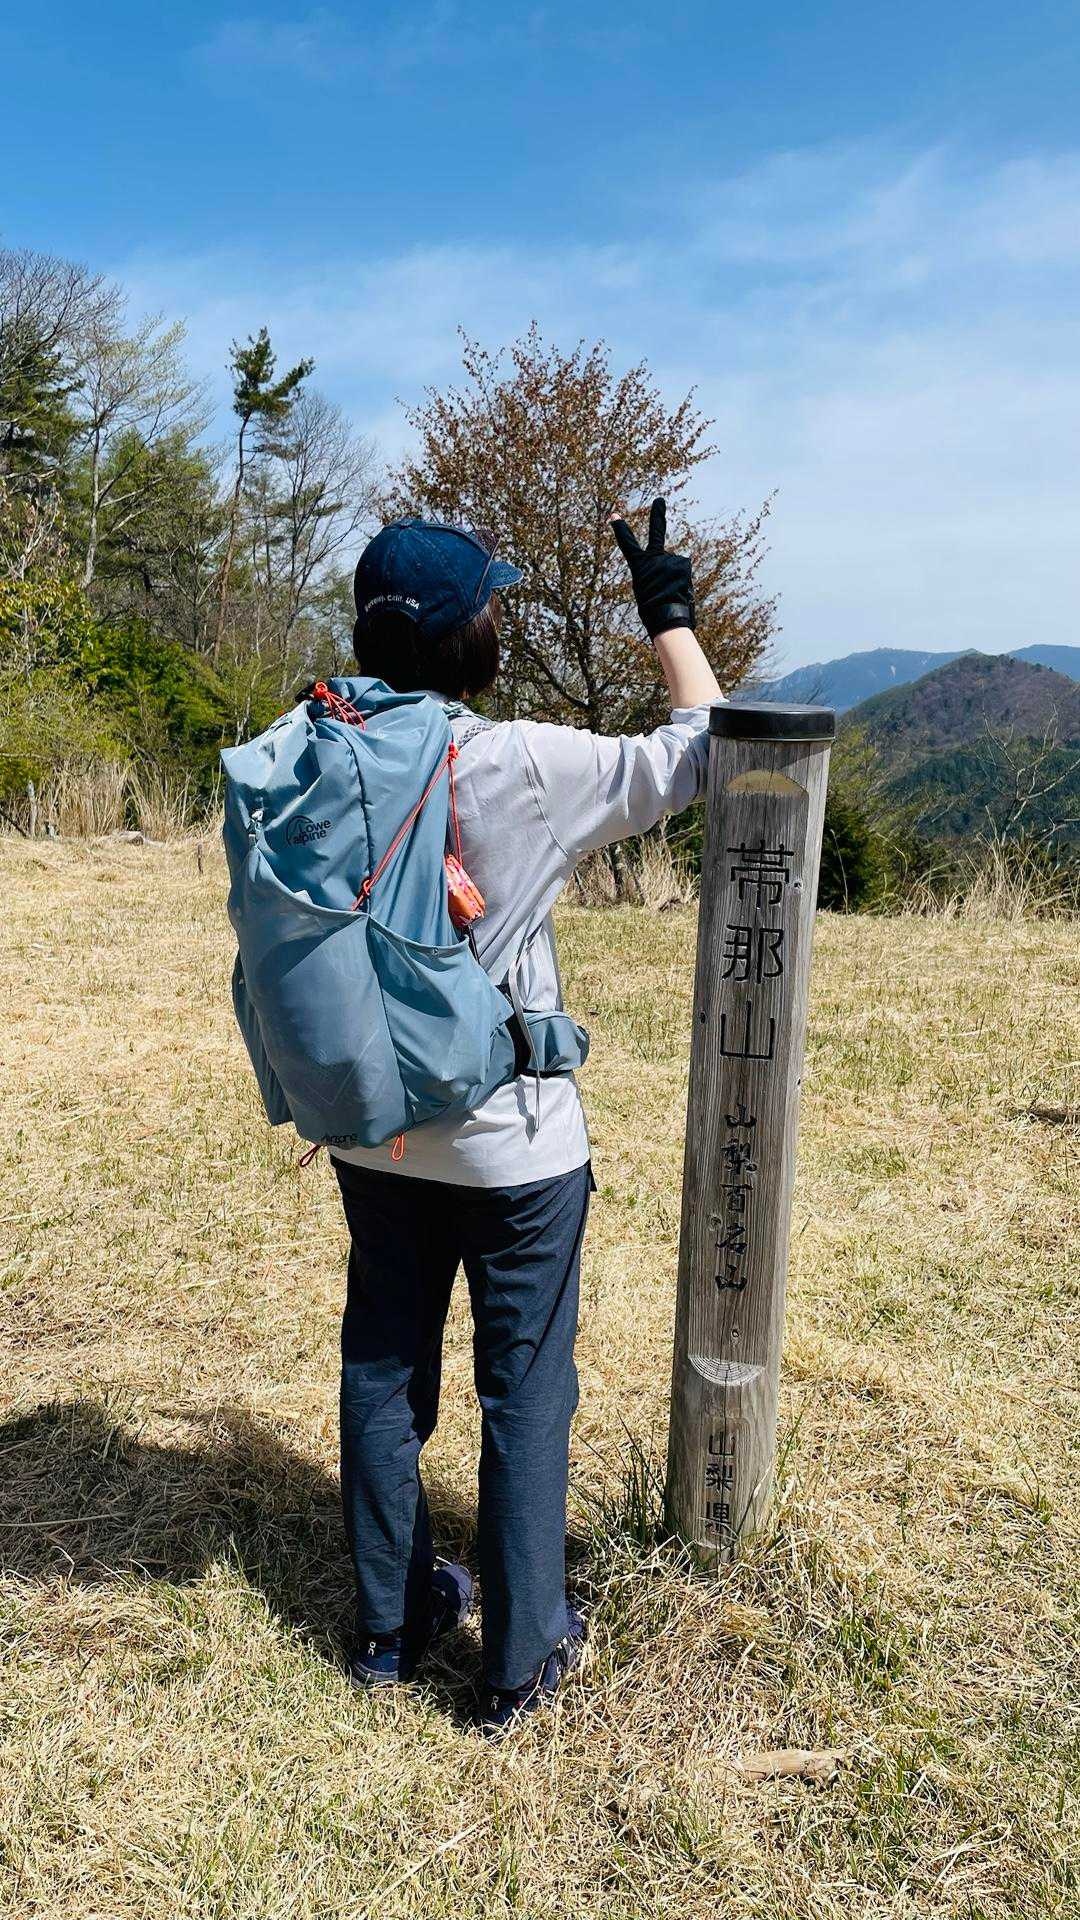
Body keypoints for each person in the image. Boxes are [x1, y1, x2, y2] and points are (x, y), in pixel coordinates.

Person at [331, 498, 722, 1736]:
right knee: (524, 1391)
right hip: (513, 1148)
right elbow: (708, 750)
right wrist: (666, 611)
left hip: (374, 1124)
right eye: (491, 607)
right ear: (469, 640)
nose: (501, 619)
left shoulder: (317, 747)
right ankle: (519, 1661)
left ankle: (389, 1630)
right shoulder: (523, 764)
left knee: (384, 1365)